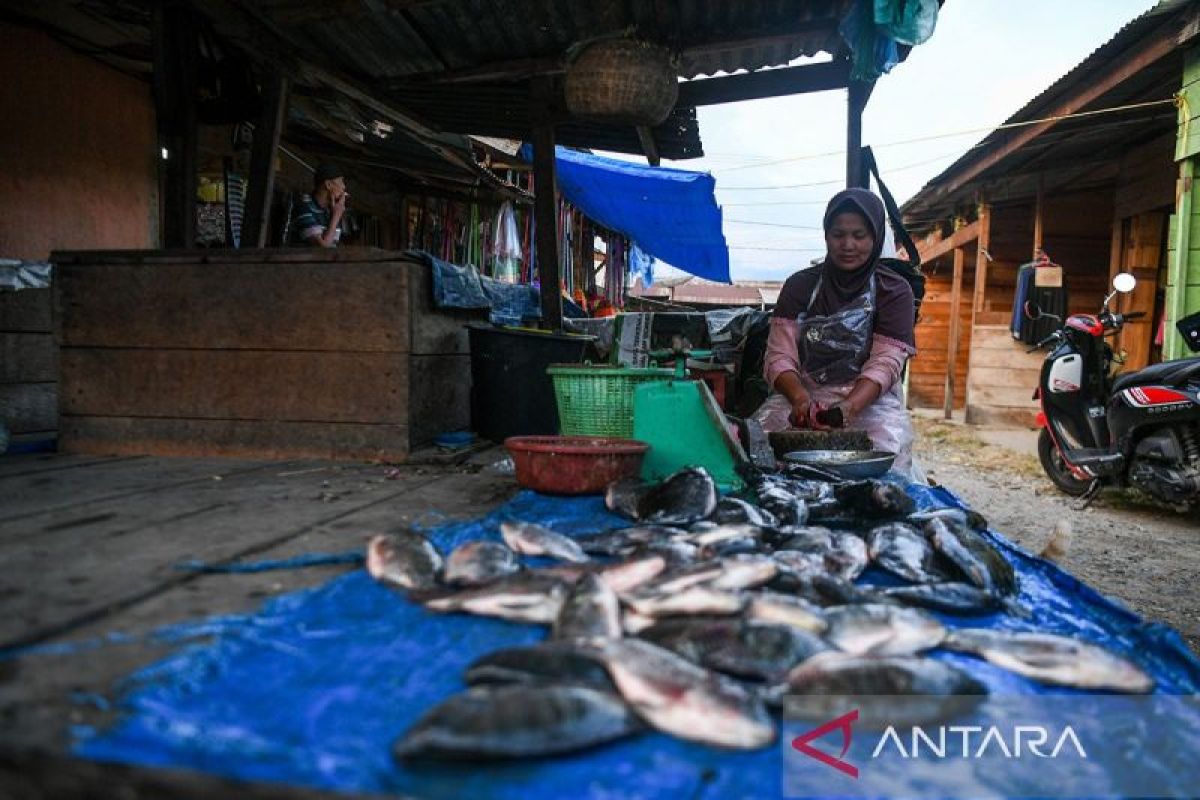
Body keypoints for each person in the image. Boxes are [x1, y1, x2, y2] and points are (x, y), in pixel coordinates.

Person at [752, 187, 918, 475]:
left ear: (876, 237)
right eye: (838, 234)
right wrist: (800, 400)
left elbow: (886, 363)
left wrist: (849, 407)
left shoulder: (894, 291)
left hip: (870, 402)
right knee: (760, 454)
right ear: (826, 235)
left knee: (885, 464)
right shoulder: (799, 286)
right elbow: (779, 357)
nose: (848, 245)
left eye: (859, 235)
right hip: (802, 398)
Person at [294, 163, 348, 247]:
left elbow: (333, 245)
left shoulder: (331, 209)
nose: (344, 187)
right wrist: (336, 216)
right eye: (341, 182)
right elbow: (322, 248)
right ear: (328, 185)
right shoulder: (304, 206)